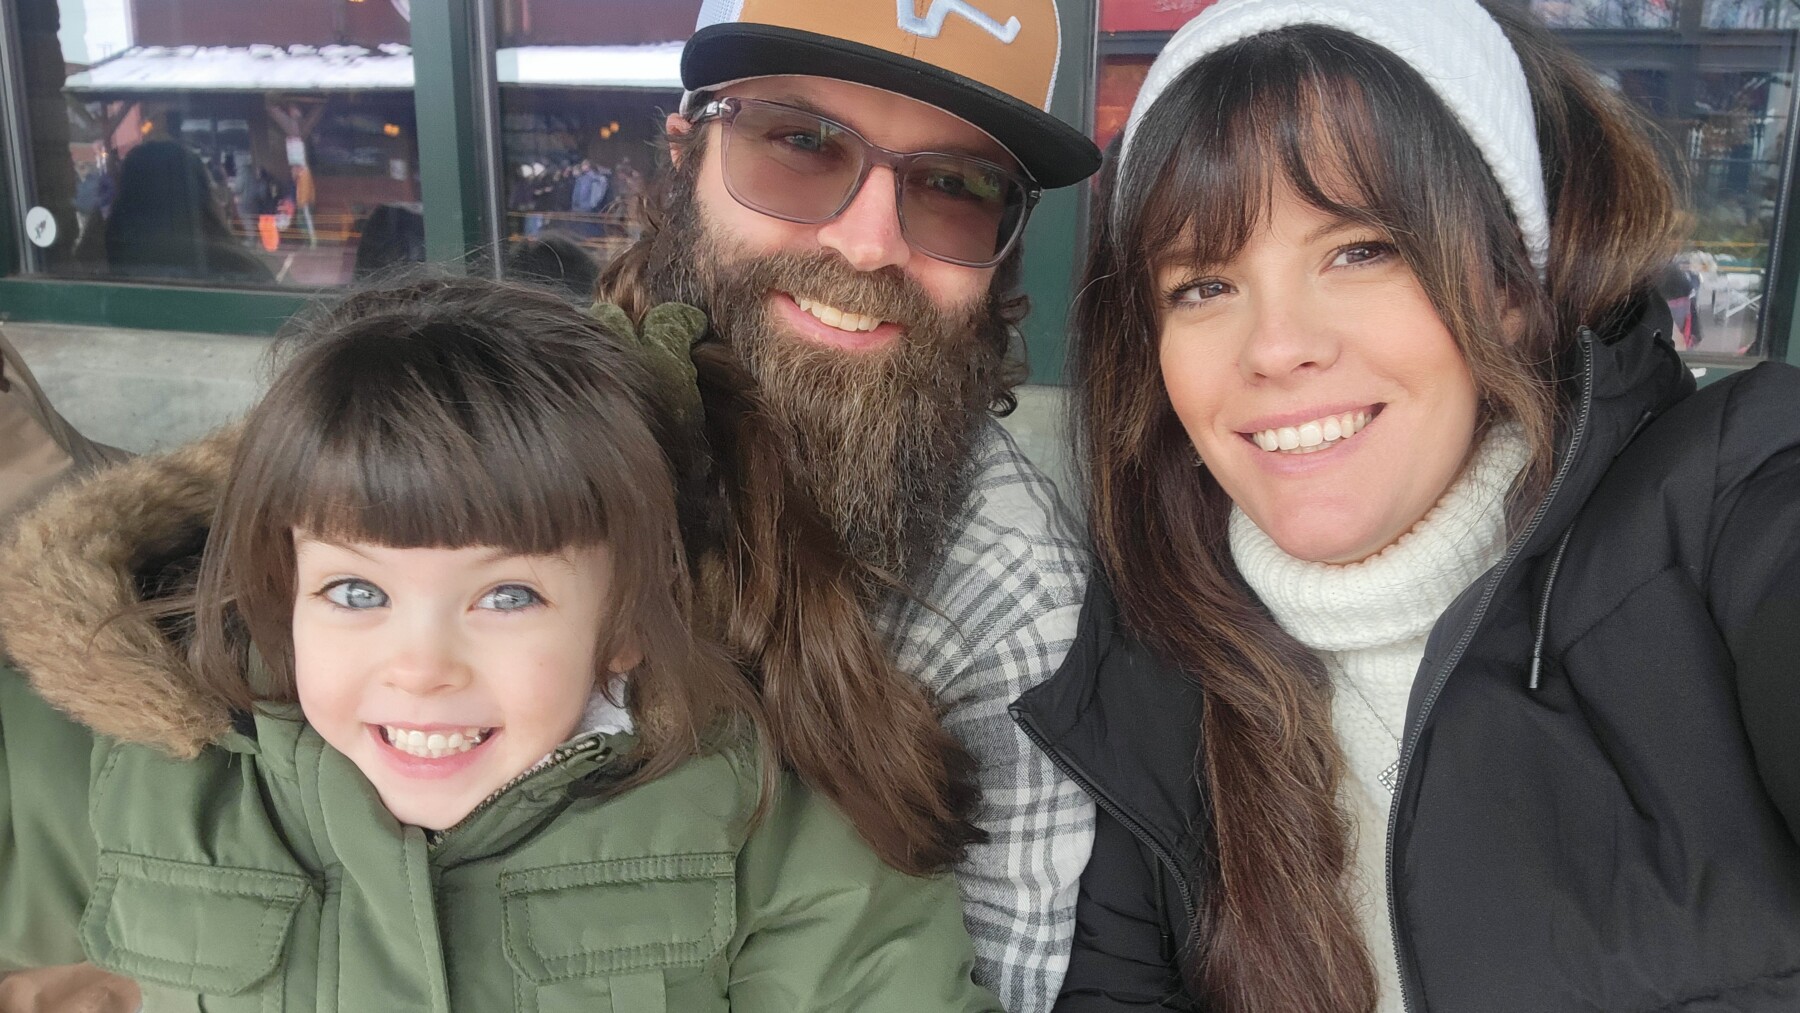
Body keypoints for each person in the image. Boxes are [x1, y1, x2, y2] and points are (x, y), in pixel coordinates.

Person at [1016, 0, 1800, 1009]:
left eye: (1359, 249)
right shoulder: (1154, 674)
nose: (1274, 345)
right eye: (1203, 285)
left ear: (1515, 283)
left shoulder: (1729, 510)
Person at [0, 276, 1002, 1012]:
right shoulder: (127, 766)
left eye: (509, 593)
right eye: (356, 589)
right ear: (280, 587)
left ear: (622, 626)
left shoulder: (757, 819)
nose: (422, 662)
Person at [599, 2, 1104, 1006]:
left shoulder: (1009, 594)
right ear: (684, 154)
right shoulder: (490, 415)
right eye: (800, 143)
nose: (868, 243)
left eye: (955, 187)